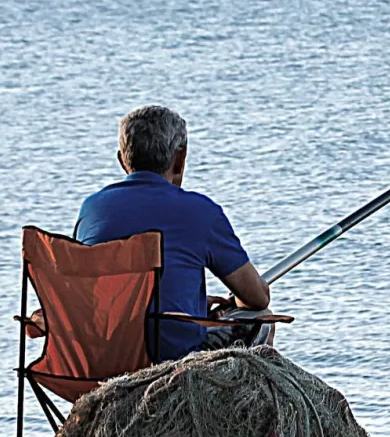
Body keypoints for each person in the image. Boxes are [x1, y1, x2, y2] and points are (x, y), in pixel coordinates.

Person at [74, 105, 271, 360]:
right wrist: (231, 306)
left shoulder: (92, 209)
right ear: (180, 158)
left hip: (102, 356)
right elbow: (256, 298)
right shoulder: (200, 211)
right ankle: (244, 400)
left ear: (122, 160)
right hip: (174, 358)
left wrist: (195, 306)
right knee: (260, 320)